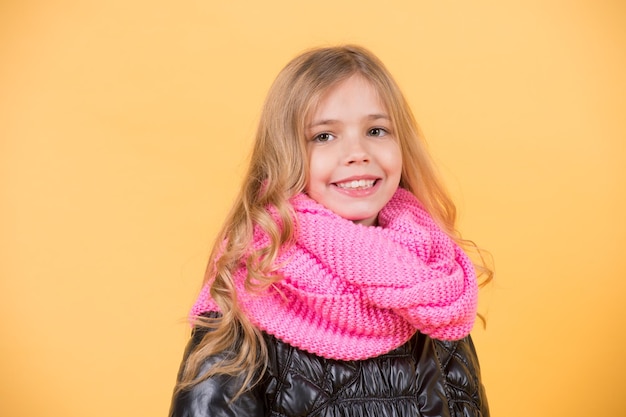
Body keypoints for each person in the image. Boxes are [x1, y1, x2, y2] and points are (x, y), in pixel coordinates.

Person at [169, 44, 491, 417]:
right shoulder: (251, 286)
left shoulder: (435, 284)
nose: (358, 152)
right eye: (324, 136)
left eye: (376, 130)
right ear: (286, 155)